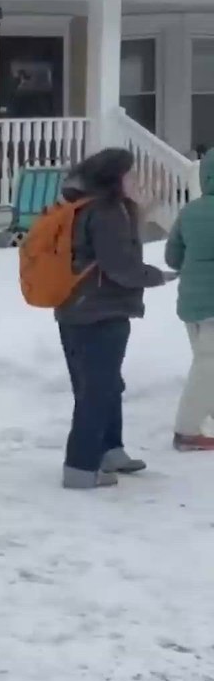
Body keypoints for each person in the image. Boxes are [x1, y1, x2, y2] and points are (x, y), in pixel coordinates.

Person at [55, 148, 172, 489]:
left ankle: (110, 449)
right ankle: (80, 466)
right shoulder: (106, 211)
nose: (135, 180)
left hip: (75, 308)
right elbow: (120, 265)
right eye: (131, 173)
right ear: (115, 178)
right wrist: (156, 276)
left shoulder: (82, 205)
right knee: (99, 388)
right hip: (101, 311)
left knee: (100, 384)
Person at [165, 153, 214, 451]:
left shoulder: (190, 211)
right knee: (208, 365)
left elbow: (173, 257)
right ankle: (186, 432)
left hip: (191, 304)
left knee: (206, 362)